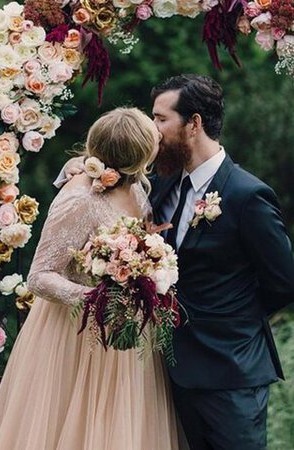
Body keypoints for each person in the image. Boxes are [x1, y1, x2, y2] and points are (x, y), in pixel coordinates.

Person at [60, 74, 294, 450]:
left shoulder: (248, 195)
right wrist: (74, 170)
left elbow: (283, 282)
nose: (152, 130)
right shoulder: (161, 183)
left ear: (194, 124)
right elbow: (100, 175)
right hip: (169, 371)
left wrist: (230, 319)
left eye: (161, 118)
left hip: (230, 373)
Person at [0, 107, 180, 450]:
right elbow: (40, 275)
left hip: (124, 335)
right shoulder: (80, 198)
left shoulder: (136, 184)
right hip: (76, 336)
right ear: (137, 154)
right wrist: (95, 297)